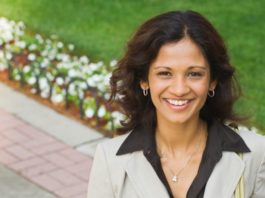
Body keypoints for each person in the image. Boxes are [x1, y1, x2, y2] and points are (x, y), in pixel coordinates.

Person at [87, 10, 265, 198]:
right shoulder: (110, 159)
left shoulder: (257, 155)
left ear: (212, 80)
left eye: (194, 73)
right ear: (144, 80)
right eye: (165, 73)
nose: (179, 89)